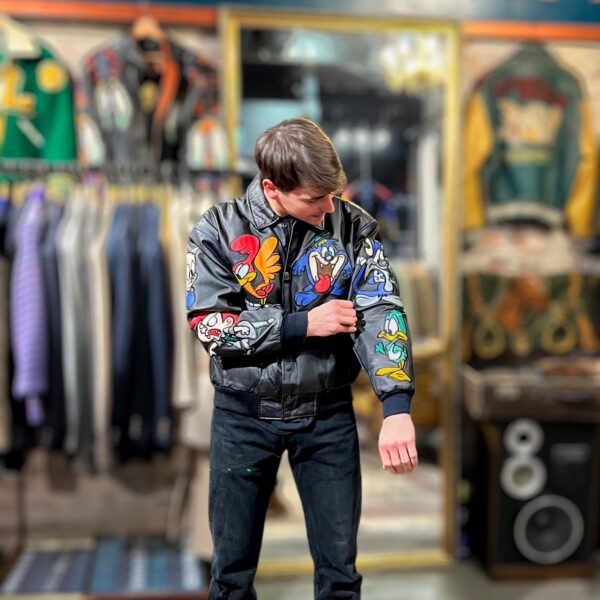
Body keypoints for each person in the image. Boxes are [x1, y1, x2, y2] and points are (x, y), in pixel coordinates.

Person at [186, 117, 417, 600]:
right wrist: (302, 324)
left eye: (333, 194)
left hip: (327, 414)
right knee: (230, 575)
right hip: (242, 415)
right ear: (272, 188)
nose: (329, 207)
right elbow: (210, 325)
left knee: (340, 576)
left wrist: (395, 406)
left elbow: (381, 308)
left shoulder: (353, 226)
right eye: (315, 198)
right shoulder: (218, 230)